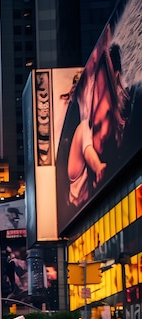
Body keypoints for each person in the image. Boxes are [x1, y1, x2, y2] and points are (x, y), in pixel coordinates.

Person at [67, 43, 131, 209]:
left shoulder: (118, 133)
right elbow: (88, 150)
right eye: (97, 125)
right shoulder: (83, 129)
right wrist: (97, 166)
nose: (102, 134)